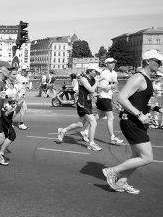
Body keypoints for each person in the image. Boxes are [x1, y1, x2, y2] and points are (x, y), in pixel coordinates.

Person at [103, 50, 163, 194]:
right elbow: (122, 98)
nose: (161, 64)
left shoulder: (147, 78)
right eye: (159, 61)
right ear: (148, 61)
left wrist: (157, 108)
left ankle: (122, 181)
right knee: (147, 158)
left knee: (137, 156)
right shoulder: (139, 77)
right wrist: (139, 115)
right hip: (131, 121)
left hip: (137, 121)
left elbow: (139, 100)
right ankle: (112, 171)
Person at [57, 65, 103, 151]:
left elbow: (90, 92)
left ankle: (63, 130)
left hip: (87, 103)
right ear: (89, 70)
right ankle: (91, 144)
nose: (96, 73)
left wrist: (96, 95)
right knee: (93, 123)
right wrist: (97, 83)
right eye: (95, 71)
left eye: (97, 72)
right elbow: (91, 90)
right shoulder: (83, 79)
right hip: (82, 104)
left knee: (80, 124)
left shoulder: (92, 79)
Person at [88, 58, 124, 145]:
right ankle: (112, 138)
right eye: (111, 63)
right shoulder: (103, 73)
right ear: (106, 64)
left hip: (109, 96)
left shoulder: (114, 73)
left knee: (100, 116)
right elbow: (96, 83)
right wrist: (104, 87)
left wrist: (114, 87)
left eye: (114, 63)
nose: (113, 64)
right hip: (103, 96)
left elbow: (115, 83)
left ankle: (85, 131)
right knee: (110, 117)